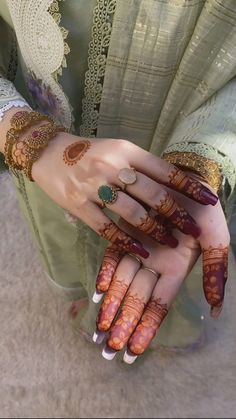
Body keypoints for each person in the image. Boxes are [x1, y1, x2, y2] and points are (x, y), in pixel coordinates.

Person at [0, 0, 235, 364]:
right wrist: (30, 140)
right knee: (70, 214)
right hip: (51, 108)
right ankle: (83, 283)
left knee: (178, 242)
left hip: (193, 100)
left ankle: (178, 322)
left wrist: (201, 162)